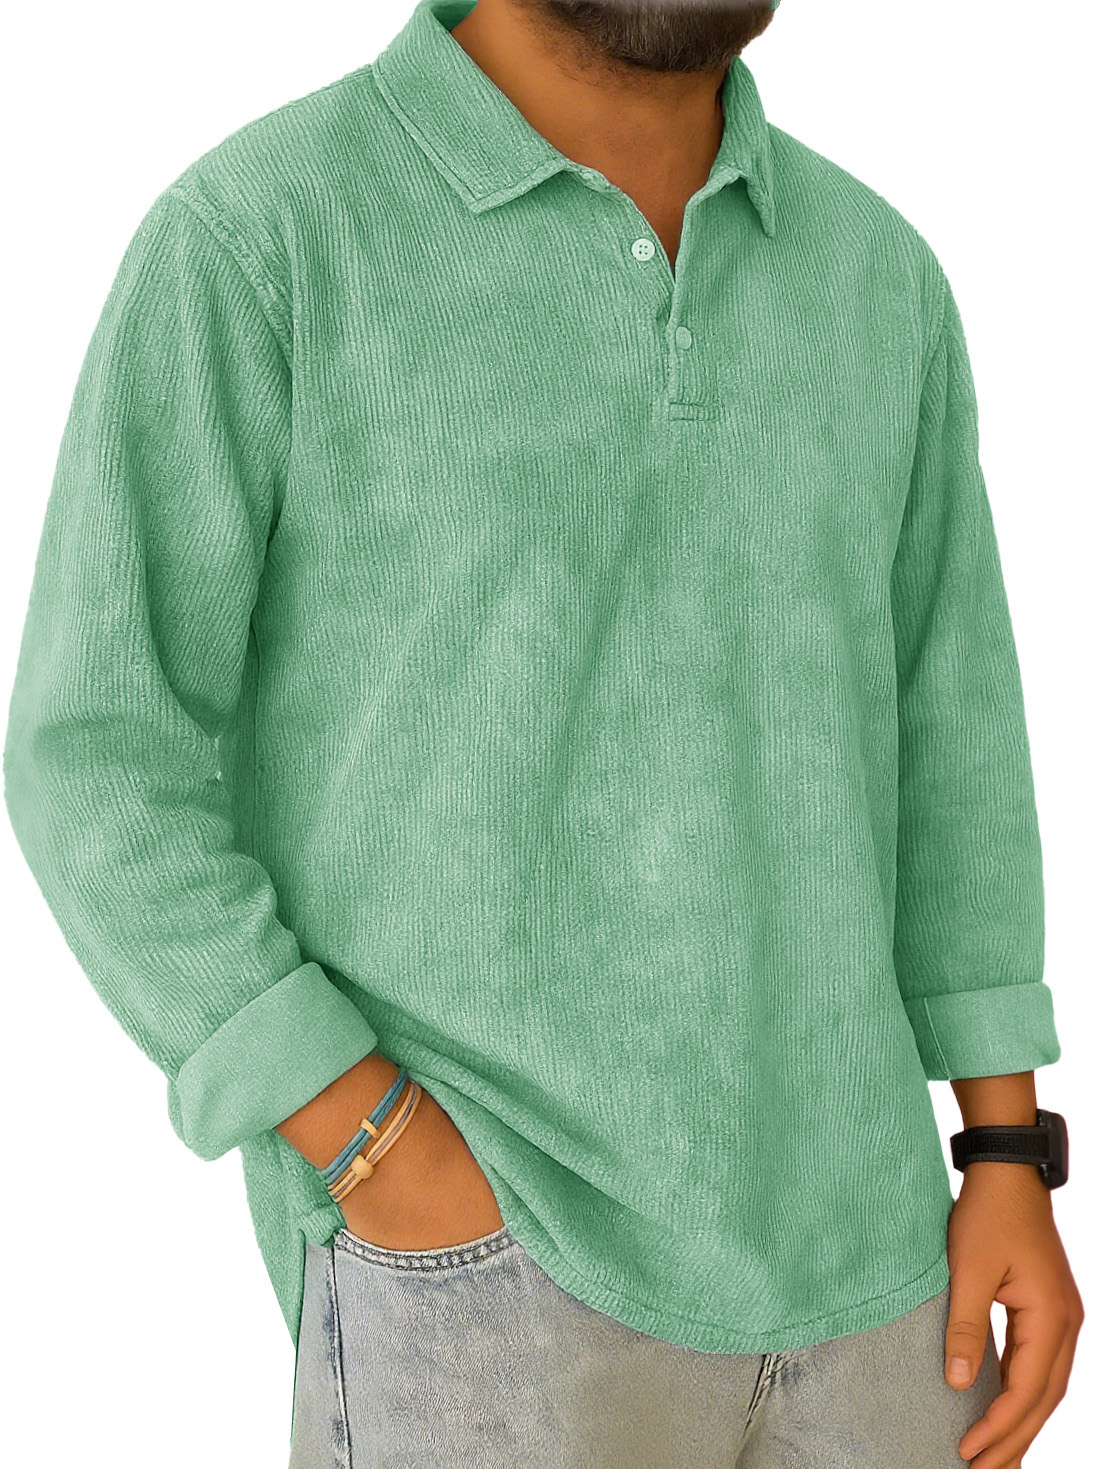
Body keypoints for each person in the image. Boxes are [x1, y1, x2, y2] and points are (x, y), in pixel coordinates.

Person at [3, 0, 1083, 1464]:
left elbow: (951, 734)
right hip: (485, 1261)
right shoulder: (262, 237)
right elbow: (94, 751)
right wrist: (364, 1138)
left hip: (881, 1268)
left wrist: (1006, 1149)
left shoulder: (874, 274)